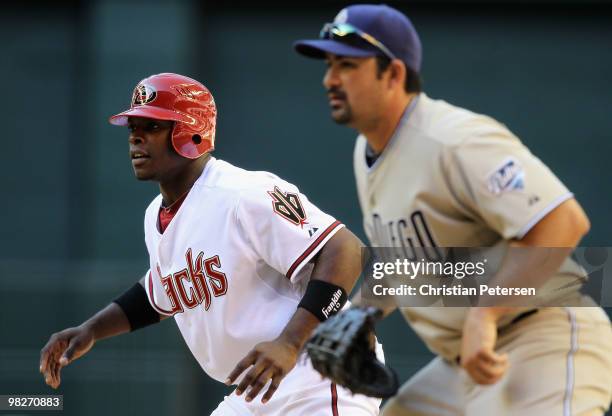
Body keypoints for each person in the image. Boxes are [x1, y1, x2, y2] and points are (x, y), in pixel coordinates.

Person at [294, 4, 612, 416]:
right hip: (465, 364)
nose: (330, 79)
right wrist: (363, 310)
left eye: (347, 65)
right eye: (329, 64)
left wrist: (486, 313)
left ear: (393, 73)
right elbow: (409, 258)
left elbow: (564, 222)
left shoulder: (453, 140)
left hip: (541, 339)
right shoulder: (368, 150)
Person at [39, 73, 381, 416]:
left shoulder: (242, 194)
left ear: (191, 132)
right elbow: (160, 294)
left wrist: (289, 343)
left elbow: (344, 249)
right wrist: (92, 330)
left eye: (152, 126)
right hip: (258, 385)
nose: (135, 137)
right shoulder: (155, 216)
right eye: (132, 127)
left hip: (321, 371)